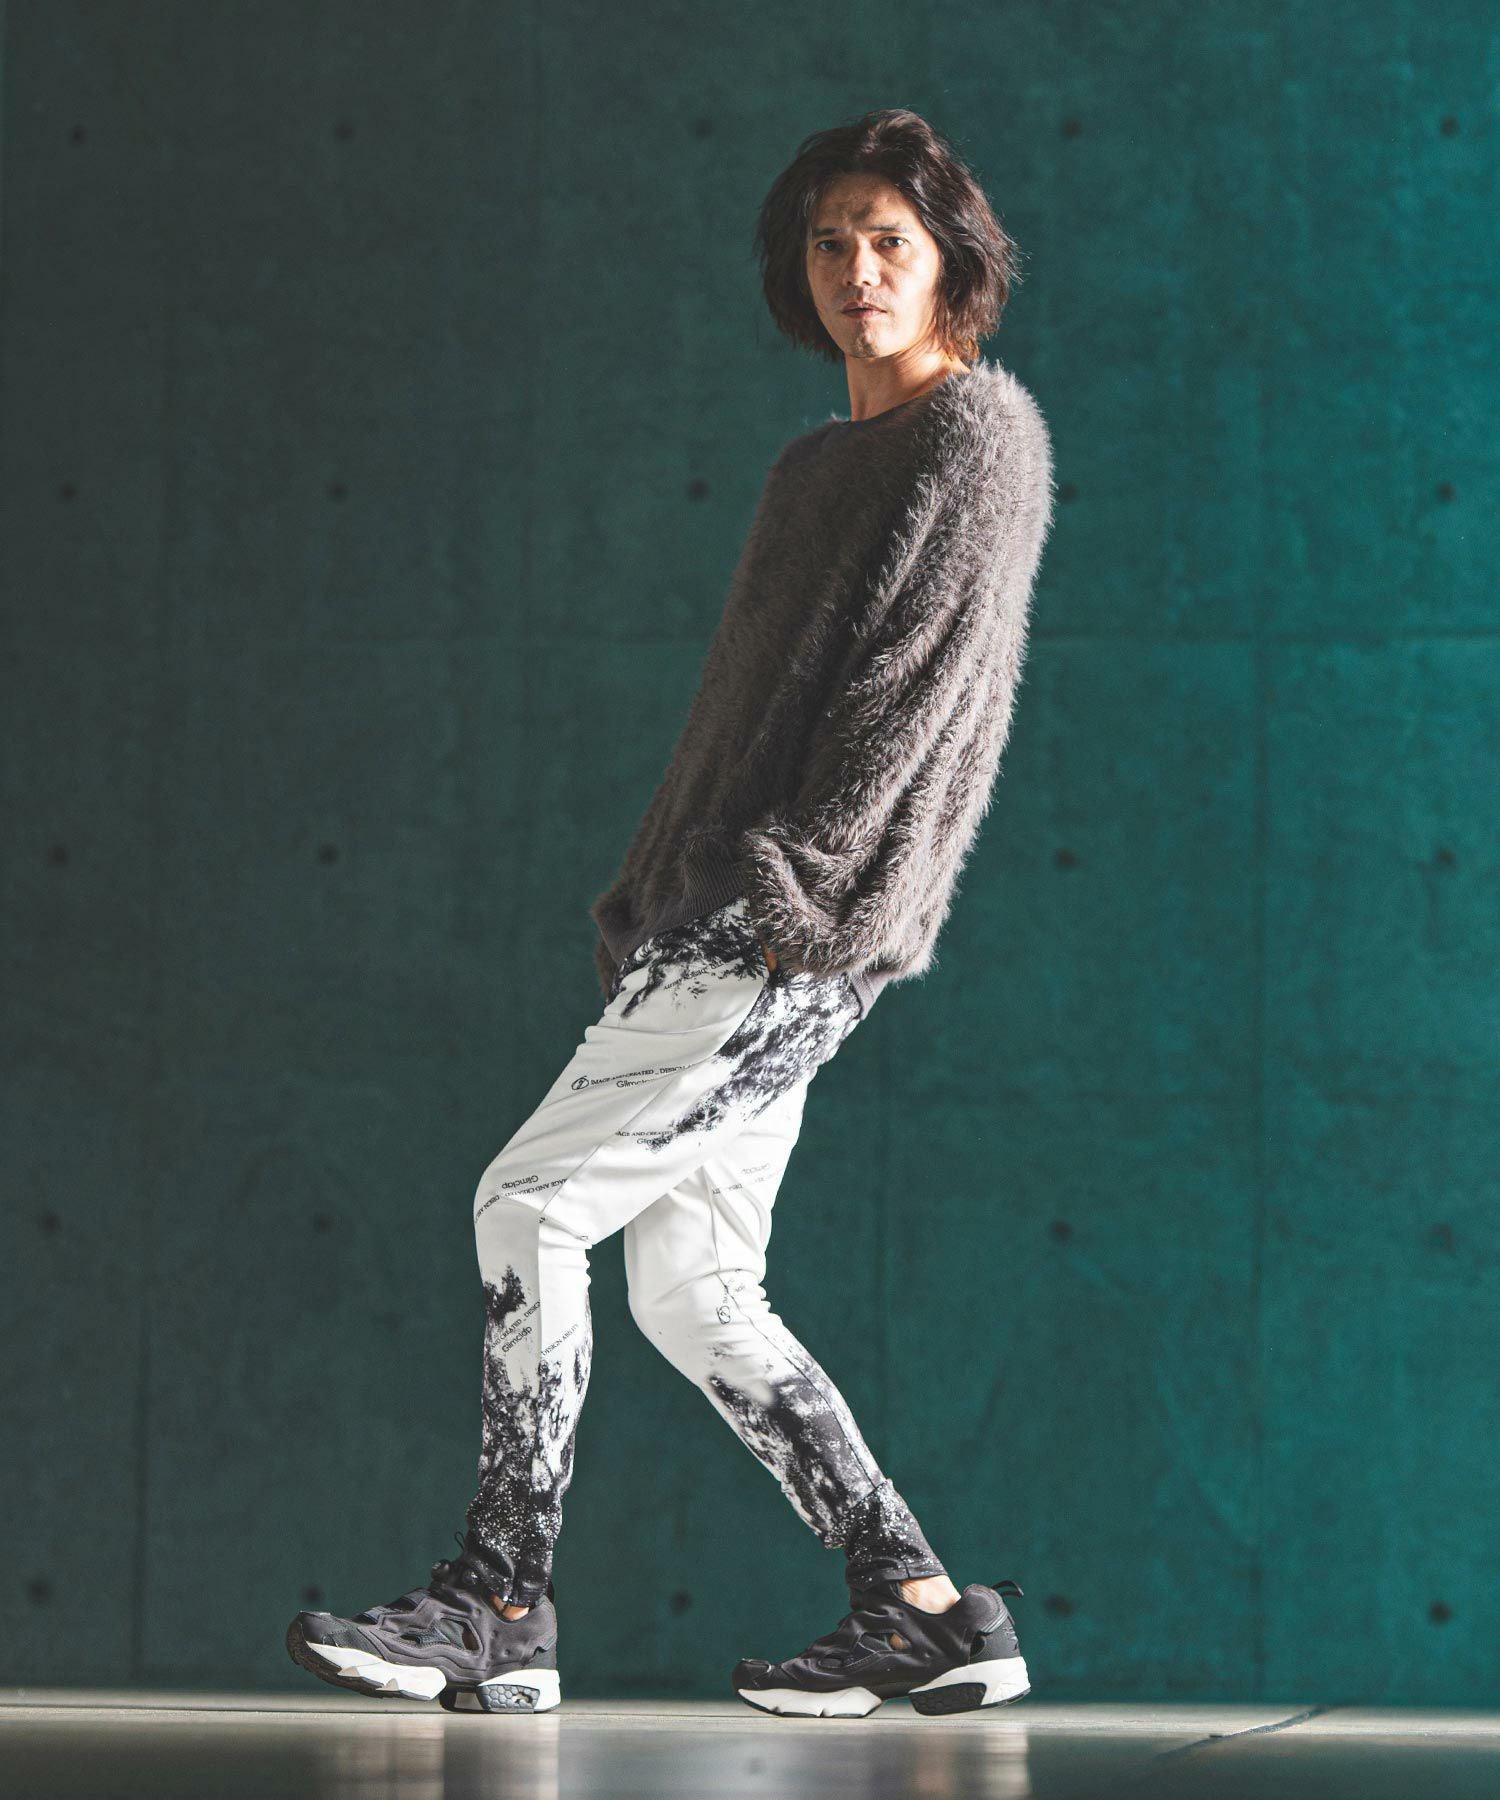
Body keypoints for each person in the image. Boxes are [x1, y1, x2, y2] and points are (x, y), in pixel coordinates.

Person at [285, 106, 1056, 1719]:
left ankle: (501, 1599)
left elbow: (921, 704)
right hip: (724, 913)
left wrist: (792, 895)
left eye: (891, 242)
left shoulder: (974, 438)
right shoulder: (815, 466)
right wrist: (652, 896)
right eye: (831, 242)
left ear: (952, 265)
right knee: (694, 1291)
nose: (858, 270)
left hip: (792, 924)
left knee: (528, 1207)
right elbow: (736, 716)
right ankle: (920, 1602)